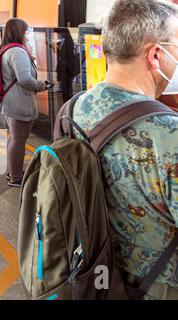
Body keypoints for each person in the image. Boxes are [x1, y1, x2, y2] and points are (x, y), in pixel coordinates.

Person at [72, 0, 178, 299]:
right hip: (156, 286)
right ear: (156, 54)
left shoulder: (76, 107)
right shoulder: (169, 133)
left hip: (93, 272)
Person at [0, 18, 49, 187]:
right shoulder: (17, 51)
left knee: (14, 138)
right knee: (19, 139)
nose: (27, 34)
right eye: (25, 31)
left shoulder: (8, 49)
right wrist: (42, 85)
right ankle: (16, 177)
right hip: (19, 102)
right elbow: (25, 79)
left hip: (11, 102)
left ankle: (11, 172)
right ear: (19, 32)